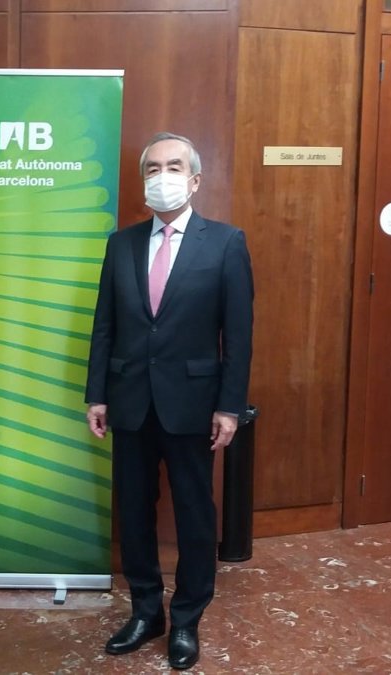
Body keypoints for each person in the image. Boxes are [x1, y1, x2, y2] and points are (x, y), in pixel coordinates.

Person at [85, 132, 254, 670]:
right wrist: (97, 394)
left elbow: (238, 335)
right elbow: (105, 326)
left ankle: (186, 618)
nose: (163, 176)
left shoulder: (225, 243)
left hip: (193, 405)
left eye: (174, 166)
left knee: (194, 514)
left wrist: (229, 407)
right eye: (153, 168)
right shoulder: (122, 244)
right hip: (130, 401)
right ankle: (145, 612)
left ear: (195, 180)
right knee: (134, 512)